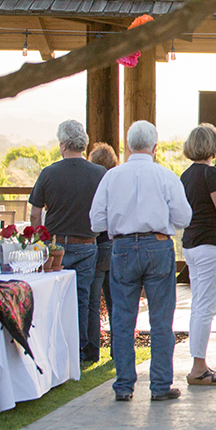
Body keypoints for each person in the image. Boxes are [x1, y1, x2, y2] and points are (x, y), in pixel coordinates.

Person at [90, 120, 192, 402]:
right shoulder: (165, 176)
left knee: (122, 319)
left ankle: (123, 385)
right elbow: (184, 218)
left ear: (127, 146)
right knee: (161, 320)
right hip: (158, 245)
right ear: (155, 148)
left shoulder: (111, 177)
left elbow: (96, 220)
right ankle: (160, 385)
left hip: (121, 246)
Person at [30, 120, 106, 363]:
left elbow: (34, 213)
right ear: (83, 144)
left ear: (63, 145)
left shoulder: (48, 173)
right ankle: (79, 350)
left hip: (55, 246)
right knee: (82, 299)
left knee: (52, 298)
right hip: (86, 244)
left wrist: (36, 240)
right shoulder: (99, 173)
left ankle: (53, 350)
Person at [179, 124, 216, 387]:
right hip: (210, 243)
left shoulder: (186, 175)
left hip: (190, 243)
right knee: (206, 307)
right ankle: (199, 367)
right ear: (214, 146)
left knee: (198, 305)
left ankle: (198, 362)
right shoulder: (212, 174)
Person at [87, 142, 119, 355]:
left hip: (95, 242)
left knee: (93, 300)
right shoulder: (116, 182)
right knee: (115, 299)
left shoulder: (90, 183)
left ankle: (92, 348)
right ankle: (118, 347)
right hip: (114, 243)